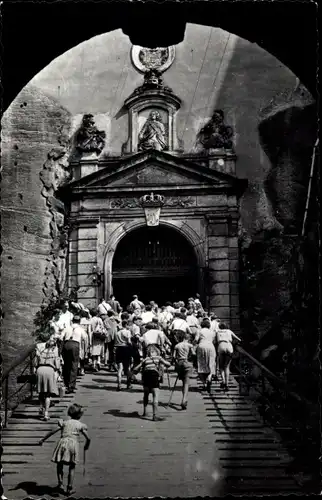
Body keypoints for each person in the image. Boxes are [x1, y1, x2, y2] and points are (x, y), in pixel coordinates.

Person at [39, 403, 91, 496]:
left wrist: (43, 439)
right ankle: (69, 488)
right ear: (79, 415)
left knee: (59, 465)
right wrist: (86, 445)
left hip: (62, 444)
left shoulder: (64, 423)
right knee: (72, 466)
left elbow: (52, 431)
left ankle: (60, 484)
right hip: (73, 446)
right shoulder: (80, 425)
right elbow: (88, 438)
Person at [133, 345, 171, 421]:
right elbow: (168, 364)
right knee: (155, 396)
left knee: (146, 395)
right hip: (154, 376)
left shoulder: (145, 359)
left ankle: (145, 412)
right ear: (156, 352)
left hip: (146, 377)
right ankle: (155, 416)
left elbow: (136, 368)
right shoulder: (158, 357)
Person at [35, 332, 61, 421]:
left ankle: (41, 406)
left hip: (40, 370)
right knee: (48, 394)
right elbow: (57, 366)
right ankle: (46, 413)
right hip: (49, 371)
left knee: (41, 391)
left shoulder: (40, 352)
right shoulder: (54, 353)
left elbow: (35, 363)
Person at [61, 316, 86, 393]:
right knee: (74, 365)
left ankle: (66, 383)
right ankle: (71, 386)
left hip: (66, 344)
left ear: (72, 321)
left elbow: (61, 337)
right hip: (75, 344)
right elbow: (84, 338)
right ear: (79, 321)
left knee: (66, 364)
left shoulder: (67, 328)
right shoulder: (80, 329)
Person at [216, 322, 241, 390]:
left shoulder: (217, 331)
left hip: (221, 346)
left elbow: (215, 340)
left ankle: (223, 380)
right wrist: (237, 342)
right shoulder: (229, 331)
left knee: (221, 366)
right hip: (229, 346)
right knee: (227, 367)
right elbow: (238, 339)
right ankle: (227, 384)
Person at [195, 318, 217, 393]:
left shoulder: (199, 331)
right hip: (210, 346)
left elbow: (196, 339)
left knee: (201, 364)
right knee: (211, 364)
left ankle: (204, 384)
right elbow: (214, 341)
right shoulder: (212, 332)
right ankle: (209, 379)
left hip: (201, 346)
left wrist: (193, 344)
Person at [173, 333, 194, 410]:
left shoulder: (177, 345)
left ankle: (184, 398)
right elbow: (194, 354)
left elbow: (174, 357)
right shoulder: (190, 345)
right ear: (188, 339)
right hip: (187, 362)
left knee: (183, 382)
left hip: (179, 363)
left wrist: (176, 363)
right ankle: (184, 399)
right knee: (186, 383)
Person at [114, 320, 132, 391]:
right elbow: (129, 342)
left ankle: (119, 384)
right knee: (128, 367)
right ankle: (128, 384)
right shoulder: (128, 332)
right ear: (126, 325)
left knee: (120, 368)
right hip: (126, 349)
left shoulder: (117, 333)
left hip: (118, 349)